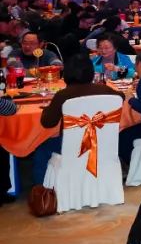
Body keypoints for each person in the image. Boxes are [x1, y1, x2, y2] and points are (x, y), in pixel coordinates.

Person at [32, 53, 117, 184]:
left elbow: (48, 123)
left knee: (41, 149)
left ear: (67, 73)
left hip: (71, 146)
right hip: (102, 142)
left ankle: (42, 189)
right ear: (91, 72)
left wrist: (48, 109)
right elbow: (121, 97)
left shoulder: (63, 95)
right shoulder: (105, 90)